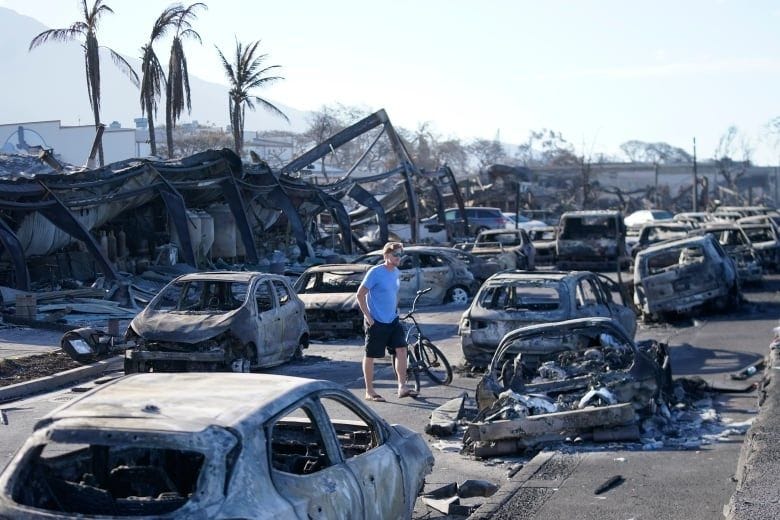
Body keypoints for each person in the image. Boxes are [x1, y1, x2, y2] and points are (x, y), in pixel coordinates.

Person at [356, 241, 417, 402]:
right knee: (371, 355)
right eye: (395, 254)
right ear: (386, 255)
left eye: (400, 255)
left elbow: (394, 293)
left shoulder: (396, 272)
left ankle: (402, 387)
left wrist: (396, 309)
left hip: (392, 319)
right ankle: (369, 391)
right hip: (376, 321)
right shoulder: (375, 272)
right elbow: (360, 295)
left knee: (402, 350)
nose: (399, 258)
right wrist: (369, 317)